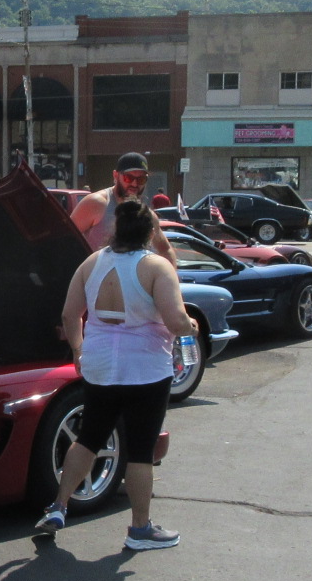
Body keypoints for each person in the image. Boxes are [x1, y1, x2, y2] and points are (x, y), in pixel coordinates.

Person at [34, 199, 196, 552]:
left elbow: (69, 314)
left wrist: (78, 350)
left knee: (89, 437)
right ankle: (140, 529)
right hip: (145, 370)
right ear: (151, 232)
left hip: (100, 365)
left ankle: (59, 507)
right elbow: (176, 320)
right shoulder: (155, 266)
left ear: (114, 230)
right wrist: (192, 327)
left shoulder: (91, 262)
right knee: (140, 450)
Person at [69, 151, 174, 260]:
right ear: (115, 175)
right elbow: (63, 240)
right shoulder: (97, 203)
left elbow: (165, 250)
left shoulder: (146, 215)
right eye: (128, 178)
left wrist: (170, 275)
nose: (134, 184)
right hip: (99, 275)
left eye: (141, 179)